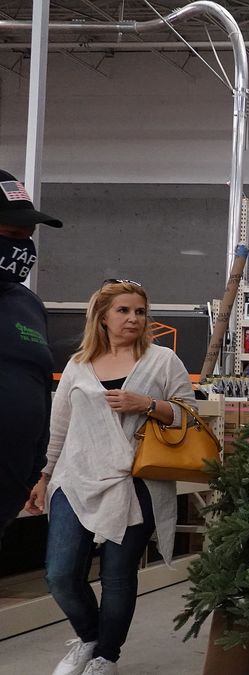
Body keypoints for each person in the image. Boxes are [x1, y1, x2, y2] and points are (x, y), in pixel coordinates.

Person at [24, 280, 195, 675]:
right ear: (102, 317)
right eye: (123, 311)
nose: (133, 318)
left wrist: (149, 404)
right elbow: (59, 427)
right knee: (61, 574)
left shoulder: (163, 360)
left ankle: (106, 658)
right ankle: (89, 639)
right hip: (76, 477)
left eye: (139, 311)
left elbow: (190, 416)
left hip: (137, 479)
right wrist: (44, 475)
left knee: (118, 575)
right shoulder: (78, 364)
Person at [0, 169, 61, 543]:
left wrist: (35, 468)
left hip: (8, 488)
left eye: (28, 237)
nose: (23, 248)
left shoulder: (27, 304)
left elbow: (39, 383)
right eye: (10, 236)